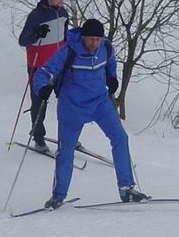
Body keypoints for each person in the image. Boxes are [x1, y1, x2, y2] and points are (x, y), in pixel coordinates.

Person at [32, 18, 148, 209]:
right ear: (83, 37)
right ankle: (58, 197)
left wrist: (112, 78)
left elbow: (111, 63)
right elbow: (43, 72)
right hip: (72, 107)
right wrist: (42, 88)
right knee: (65, 151)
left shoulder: (106, 47)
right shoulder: (68, 51)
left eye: (98, 39)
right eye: (91, 39)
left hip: (100, 103)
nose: (95, 43)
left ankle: (126, 189)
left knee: (120, 137)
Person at [18, 0, 70, 153]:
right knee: (40, 102)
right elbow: (23, 40)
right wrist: (36, 34)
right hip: (39, 66)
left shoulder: (63, 13)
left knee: (67, 99)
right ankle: (38, 137)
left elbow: (65, 36)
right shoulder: (36, 15)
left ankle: (69, 136)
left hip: (58, 64)